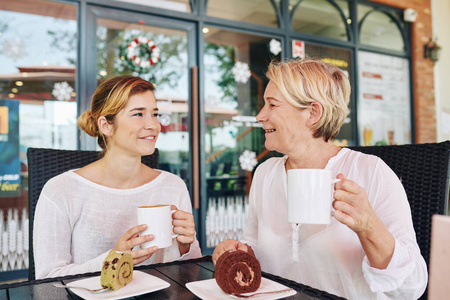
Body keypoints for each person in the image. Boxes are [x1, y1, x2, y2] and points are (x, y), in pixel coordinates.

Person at [212, 58, 427, 299]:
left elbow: (412, 287)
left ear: (313, 113)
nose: (260, 116)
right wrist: (238, 253)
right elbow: (254, 251)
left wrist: (369, 228)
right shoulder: (265, 173)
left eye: (272, 105)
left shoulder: (371, 171)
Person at [33, 75, 201, 279]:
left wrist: (184, 246)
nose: (153, 125)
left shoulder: (173, 186)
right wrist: (112, 260)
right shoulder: (60, 191)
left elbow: (190, 271)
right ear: (106, 125)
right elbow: (48, 279)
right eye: (138, 114)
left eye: (154, 114)